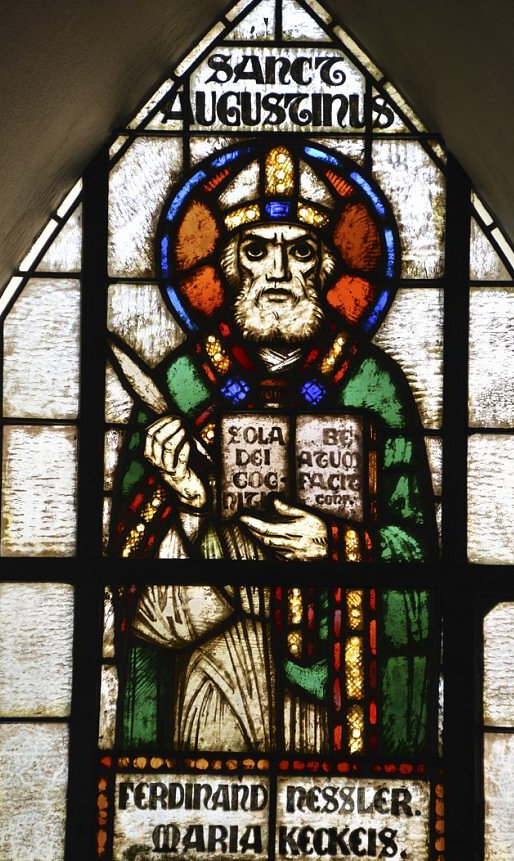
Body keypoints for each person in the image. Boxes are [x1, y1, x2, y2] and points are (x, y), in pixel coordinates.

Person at [111, 141, 437, 757]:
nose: (279, 272)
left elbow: (422, 558)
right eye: (257, 250)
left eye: (301, 251)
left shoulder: (373, 386)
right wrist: (187, 507)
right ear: (229, 266)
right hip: (212, 679)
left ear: (326, 268)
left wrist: (336, 546)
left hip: (335, 695)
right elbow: (130, 594)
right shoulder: (183, 383)